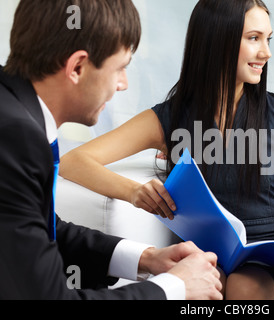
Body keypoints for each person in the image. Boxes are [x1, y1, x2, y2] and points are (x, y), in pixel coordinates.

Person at [60, 0, 274, 300]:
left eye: (267, 39)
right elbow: (73, 161)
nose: (266, 52)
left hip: (271, 265)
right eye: (254, 38)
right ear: (217, 39)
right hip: (203, 256)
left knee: (242, 288)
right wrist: (133, 192)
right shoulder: (168, 118)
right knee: (201, 285)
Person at [0, 0, 223, 300]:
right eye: (120, 68)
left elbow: (41, 228)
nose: (124, 84)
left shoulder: (14, 111)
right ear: (77, 67)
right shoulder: (15, 138)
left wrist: (146, 258)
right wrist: (176, 287)